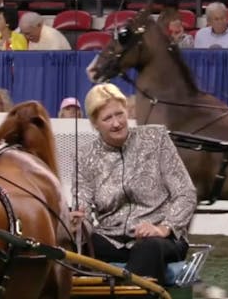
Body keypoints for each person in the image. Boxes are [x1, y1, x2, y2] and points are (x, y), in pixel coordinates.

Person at [71, 83, 196, 285]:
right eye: (107, 118)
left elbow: (186, 192)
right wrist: (76, 223)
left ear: (126, 111)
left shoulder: (156, 139)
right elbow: (82, 207)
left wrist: (164, 228)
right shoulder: (85, 157)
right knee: (71, 247)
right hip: (110, 239)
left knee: (148, 248)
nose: (116, 123)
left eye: (119, 114)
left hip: (159, 239)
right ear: (95, 124)